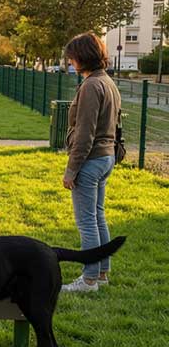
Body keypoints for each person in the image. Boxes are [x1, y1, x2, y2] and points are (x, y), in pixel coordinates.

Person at [60, 32, 121, 292]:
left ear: (83, 56)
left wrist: (71, 170)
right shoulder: (107, 81)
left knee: (86, 221)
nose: (70, 61)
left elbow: (85, 133)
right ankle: (103, 272)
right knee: (98, 216)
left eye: (72, 56)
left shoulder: (90, 86)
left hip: (91, 159)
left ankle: (89, 279)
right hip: (106, 157)